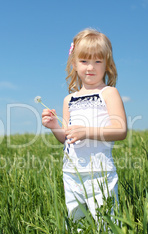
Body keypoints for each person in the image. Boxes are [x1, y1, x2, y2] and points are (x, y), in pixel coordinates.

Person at [42, 28, 127, 221]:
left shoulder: (108, 93)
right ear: (74, 64)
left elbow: (120, 130)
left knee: (106, 222)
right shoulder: (69, 100)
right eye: (84, 61)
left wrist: (86, 131)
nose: (91, 67)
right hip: (71, 172)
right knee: (75, 221)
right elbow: (67, 137)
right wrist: (55, 125)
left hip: (100, 172)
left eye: (98, 61)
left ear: (107, 64)